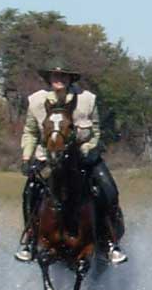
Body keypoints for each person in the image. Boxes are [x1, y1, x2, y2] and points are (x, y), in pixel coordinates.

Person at [14, 65, 126, 264]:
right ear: (49, 78)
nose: (59, 79)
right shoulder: (36, 101)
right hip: (47, 158)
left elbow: (96, 131)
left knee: (109, 189)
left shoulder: (87, 100)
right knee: (29, 192)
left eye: (64, 76)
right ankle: (29, 241)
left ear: (70, 79)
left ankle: (110, 243)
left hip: (82, 157)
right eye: (55, 75)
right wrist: (26, 158)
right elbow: (30, 132)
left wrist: (90, 150)